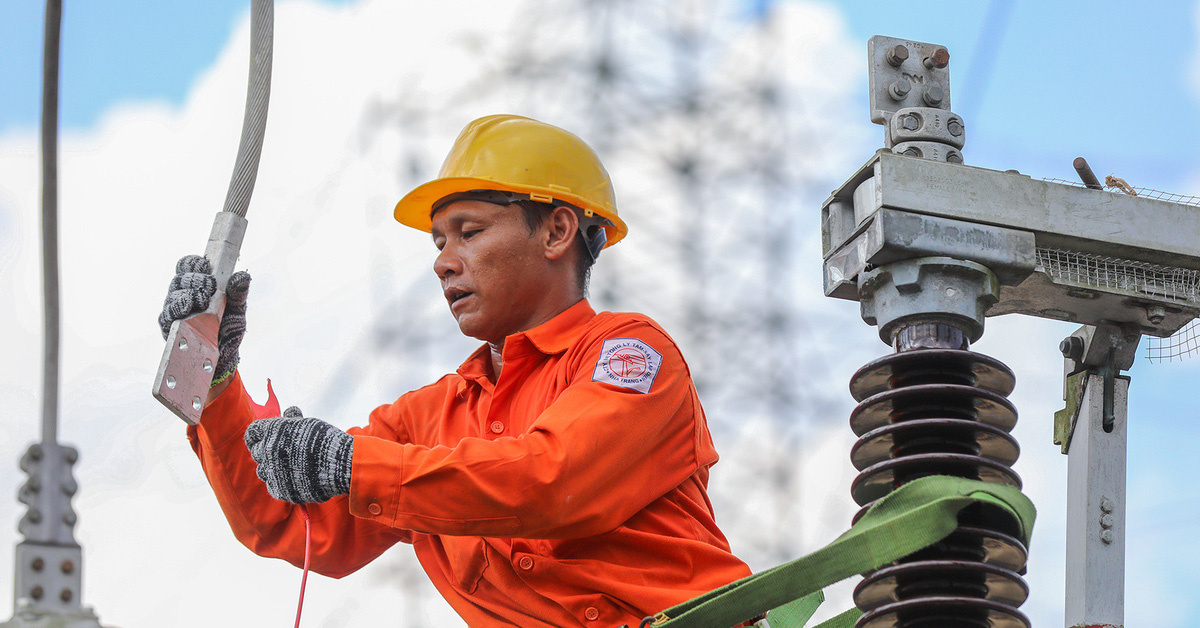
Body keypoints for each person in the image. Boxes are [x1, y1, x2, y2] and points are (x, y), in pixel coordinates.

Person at [159, 114, 752, 627]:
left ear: (556, 230)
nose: (444, 263)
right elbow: (286, 519)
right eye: (438, 242)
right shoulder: (429, 419)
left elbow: (551, 481)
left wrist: (353, 464)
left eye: (469, 233)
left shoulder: (629, 355)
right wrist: (210, 377)